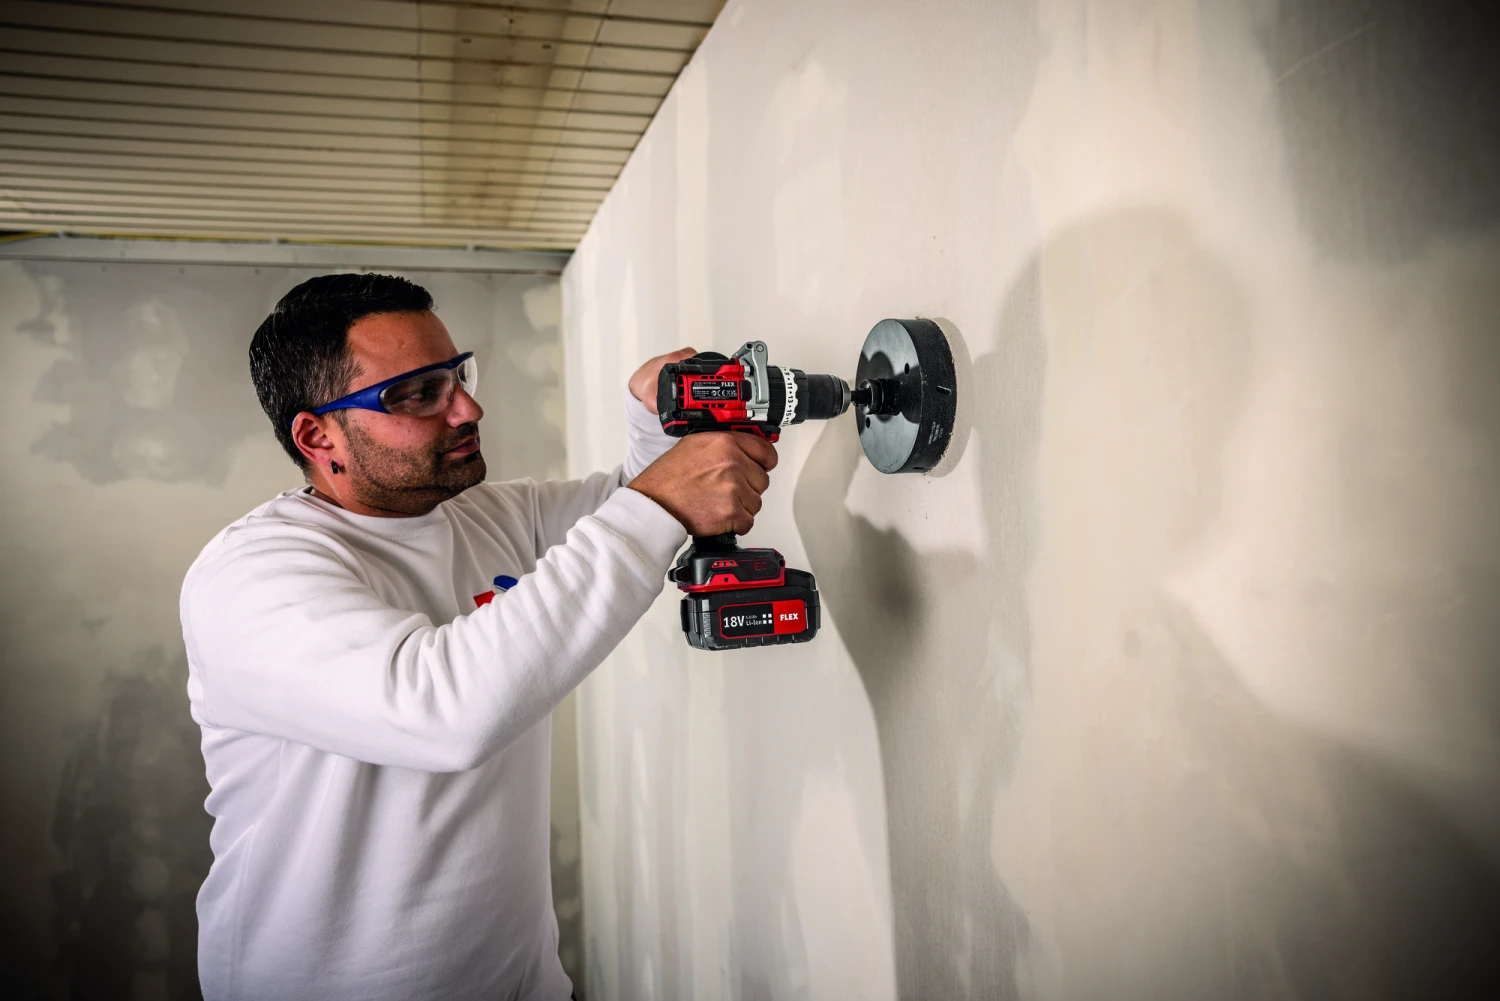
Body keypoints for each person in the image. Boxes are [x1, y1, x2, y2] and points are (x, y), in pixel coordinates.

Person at [179, 273, 776, 1000]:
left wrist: (655, 416)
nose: (467, 408)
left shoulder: (490, 517)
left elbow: (628, 510)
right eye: (417, 394)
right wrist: (662, 500)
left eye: (457, 375)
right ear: (317, 435)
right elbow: (441, 711)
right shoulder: (251, 576)